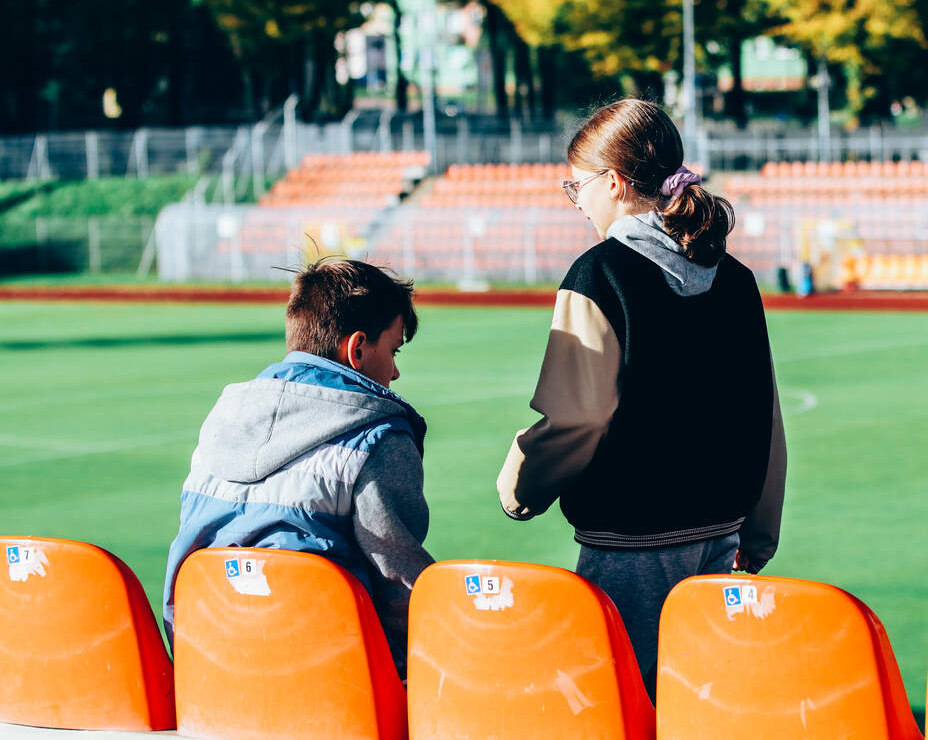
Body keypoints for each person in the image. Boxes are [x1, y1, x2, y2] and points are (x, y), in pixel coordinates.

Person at [496, 98, 787, 695]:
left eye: (576, 187)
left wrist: (519, 488)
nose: (577, 202)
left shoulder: (600, 274)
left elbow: (578, 417)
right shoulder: (735, 279)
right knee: (696, 703)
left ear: (613, 182)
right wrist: (758, 532)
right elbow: (763, 416)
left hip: (630, 538)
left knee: (619, 701)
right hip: (723, 533)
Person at [162, 258, 434, 677]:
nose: (395, 371)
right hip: (333, 681)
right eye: (393, 350)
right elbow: (403, 593)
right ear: (357, 349)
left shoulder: (220, 423)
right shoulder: (377, 438)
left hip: (213, 671)